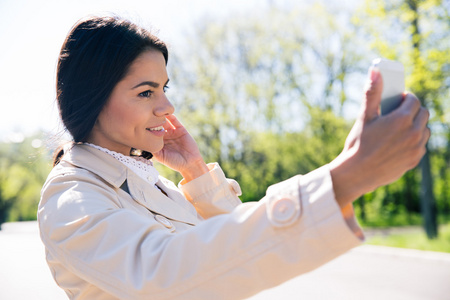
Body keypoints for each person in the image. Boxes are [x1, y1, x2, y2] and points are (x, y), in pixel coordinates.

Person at [38, 15, 430, 300]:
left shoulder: (150, 180)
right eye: (146, 92)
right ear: (92, 98)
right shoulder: (71, 194)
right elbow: (164, 276)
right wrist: (347, 176)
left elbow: (233, 262)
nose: (167, 106)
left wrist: (196, 174)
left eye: (165, 89)